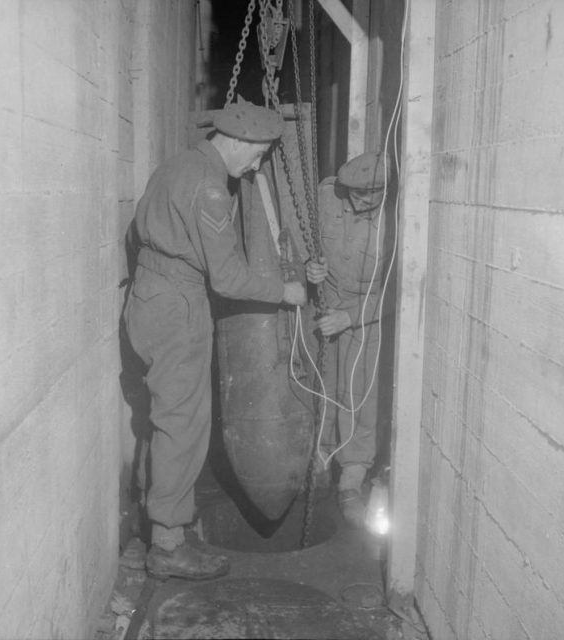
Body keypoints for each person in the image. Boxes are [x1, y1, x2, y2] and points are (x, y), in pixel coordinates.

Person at [124, 100, 307, 581]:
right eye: (259, 152)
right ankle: (166, 544)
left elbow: (139, 234)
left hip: (148, 296)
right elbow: (227, 279)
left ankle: (163, 524)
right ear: (238, 141)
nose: (258, 164)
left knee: (165, 418)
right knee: (183, 425)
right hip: (178, 307)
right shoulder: (210, 188)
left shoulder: (178, 164)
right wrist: (283, 291)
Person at [306, 151, 392, 528]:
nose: (359, 202)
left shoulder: (398, 219)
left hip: (365, 314)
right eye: (353, 194)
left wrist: (350, 317)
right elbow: (292, 241)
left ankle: (351, 482)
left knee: (358, 396)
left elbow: (397, 289)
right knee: (317, 384)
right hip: (324, 304)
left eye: (369, 196)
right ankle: (318, 462)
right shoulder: (327, 196)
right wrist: (311, 266)